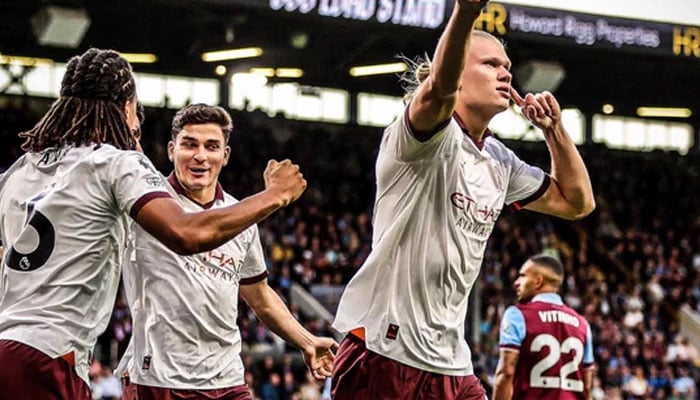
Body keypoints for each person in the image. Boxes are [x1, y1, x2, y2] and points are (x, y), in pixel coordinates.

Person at [0, 48, 307, 400]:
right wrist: (274, 195)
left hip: (8, 343)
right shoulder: (115, 164)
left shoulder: (21, 170)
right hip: (51, 357)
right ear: (127, 106)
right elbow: (188, 233)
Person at [330, 0, 596, 398]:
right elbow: (440, 88)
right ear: (458, 72)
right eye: (490, 64)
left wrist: (554, 131)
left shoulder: (499, 160)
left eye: (507, 66)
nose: (505, 72)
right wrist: (466, 14)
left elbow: (577, 204)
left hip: (451, 360)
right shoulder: (422, 134)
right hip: (385, 349)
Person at [115, 104, 337, 399]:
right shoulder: (148, 203)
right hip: (159, 378)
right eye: (189, 144)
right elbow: (129, 152)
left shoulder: (240, 217)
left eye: (212, 146)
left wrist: (307, 341)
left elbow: (261, 298)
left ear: (226, 155)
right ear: (171, 150)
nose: (200, 156)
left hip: (227, 380)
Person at [493, 255, 595, 400]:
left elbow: (506, 372)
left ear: (538, 281)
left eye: (522, 276)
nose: (516, 282)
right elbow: (587, 386)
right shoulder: (583, 324)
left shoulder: (517, 315)